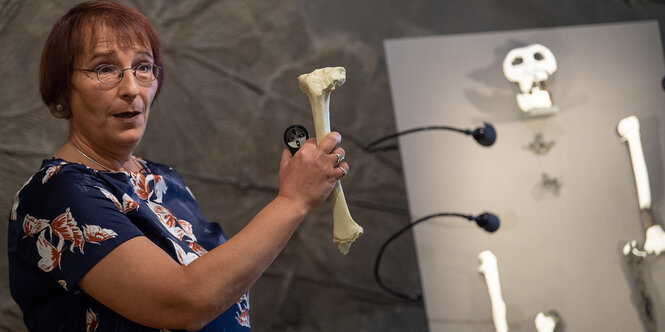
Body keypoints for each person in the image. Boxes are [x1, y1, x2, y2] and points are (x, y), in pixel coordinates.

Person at [7, 1, 349, 331]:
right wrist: (291, 202)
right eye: (105, 69)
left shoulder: (162, 179)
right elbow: (184, 303)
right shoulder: (56, 194)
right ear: (63, 87)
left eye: (143, 67)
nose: (131, 88)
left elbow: (220, 285)